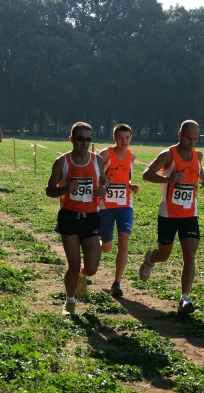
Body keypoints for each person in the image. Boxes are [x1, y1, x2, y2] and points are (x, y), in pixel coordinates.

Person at [140, 120, 204, 314]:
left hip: (189, 213)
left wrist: (203, 180)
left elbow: (198, 167)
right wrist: (168, 179)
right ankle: (150, 259)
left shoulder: (198, 155)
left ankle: (185, 298)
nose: (192, 142)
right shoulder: (168, 155)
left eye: (196, 138)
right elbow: (147, 174)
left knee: (189, 254)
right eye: (189, 137)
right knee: (164, 255)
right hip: (168, 214)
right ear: (180, 134)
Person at [46, 122, 107, 316]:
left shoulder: (97, 161)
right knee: (73, 264)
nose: (85, 143)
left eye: (89, 139)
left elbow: (104, 180)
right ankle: (70, 301)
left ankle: (82, 276)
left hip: (91, 217)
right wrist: (64, 189)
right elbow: (49, 190)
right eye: (81, 139)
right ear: (71, 139)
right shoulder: (62, 162)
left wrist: (104, 188)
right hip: (69, 217)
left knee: (92, 267)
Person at [98, 124, 140, 297]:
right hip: (106, 206)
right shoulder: (105, 154)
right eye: (121, 138)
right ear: (114, 137)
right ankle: (95, 245)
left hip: (125, 205)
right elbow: (95, 177)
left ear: (131, 138)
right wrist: (104, 182)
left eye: (127, 138)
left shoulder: (131, 156)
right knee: (106, 247)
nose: (124, 141)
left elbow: (124, 178)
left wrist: (130, 185)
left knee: (124, 241)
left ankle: (117, 283)